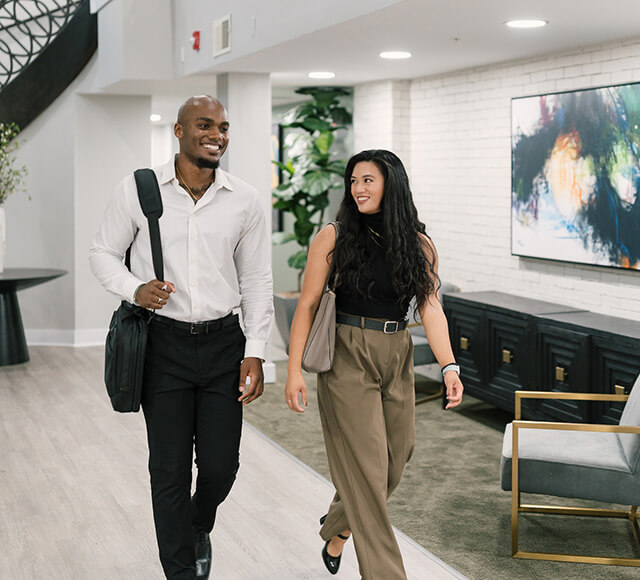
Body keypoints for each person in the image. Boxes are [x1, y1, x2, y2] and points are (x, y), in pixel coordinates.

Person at [89, 95, 273, 580]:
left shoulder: (245, 199)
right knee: (168, 471)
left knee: (219, 468)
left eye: (224, 127)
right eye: (205, 125)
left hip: (223, 344)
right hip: (162, 345)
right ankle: (180, 572)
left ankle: (198, 522)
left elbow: (256, 280)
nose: (217, 135)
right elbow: (102, 252)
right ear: (179, 131)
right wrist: (135, 288)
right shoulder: (139, 188)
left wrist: (255, 351)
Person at [284, 149, 463, 580]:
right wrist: (292, 372)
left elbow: (431, 307)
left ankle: (336, 527)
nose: (358, 188)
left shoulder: (419, 245)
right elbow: (306, 305)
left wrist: (449, 366)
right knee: (366, 469)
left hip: (396, 349)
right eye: (353, 181)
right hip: (347, 352)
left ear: (391, 185)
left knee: (396, 458)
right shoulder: (334, 236)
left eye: (368, 180)